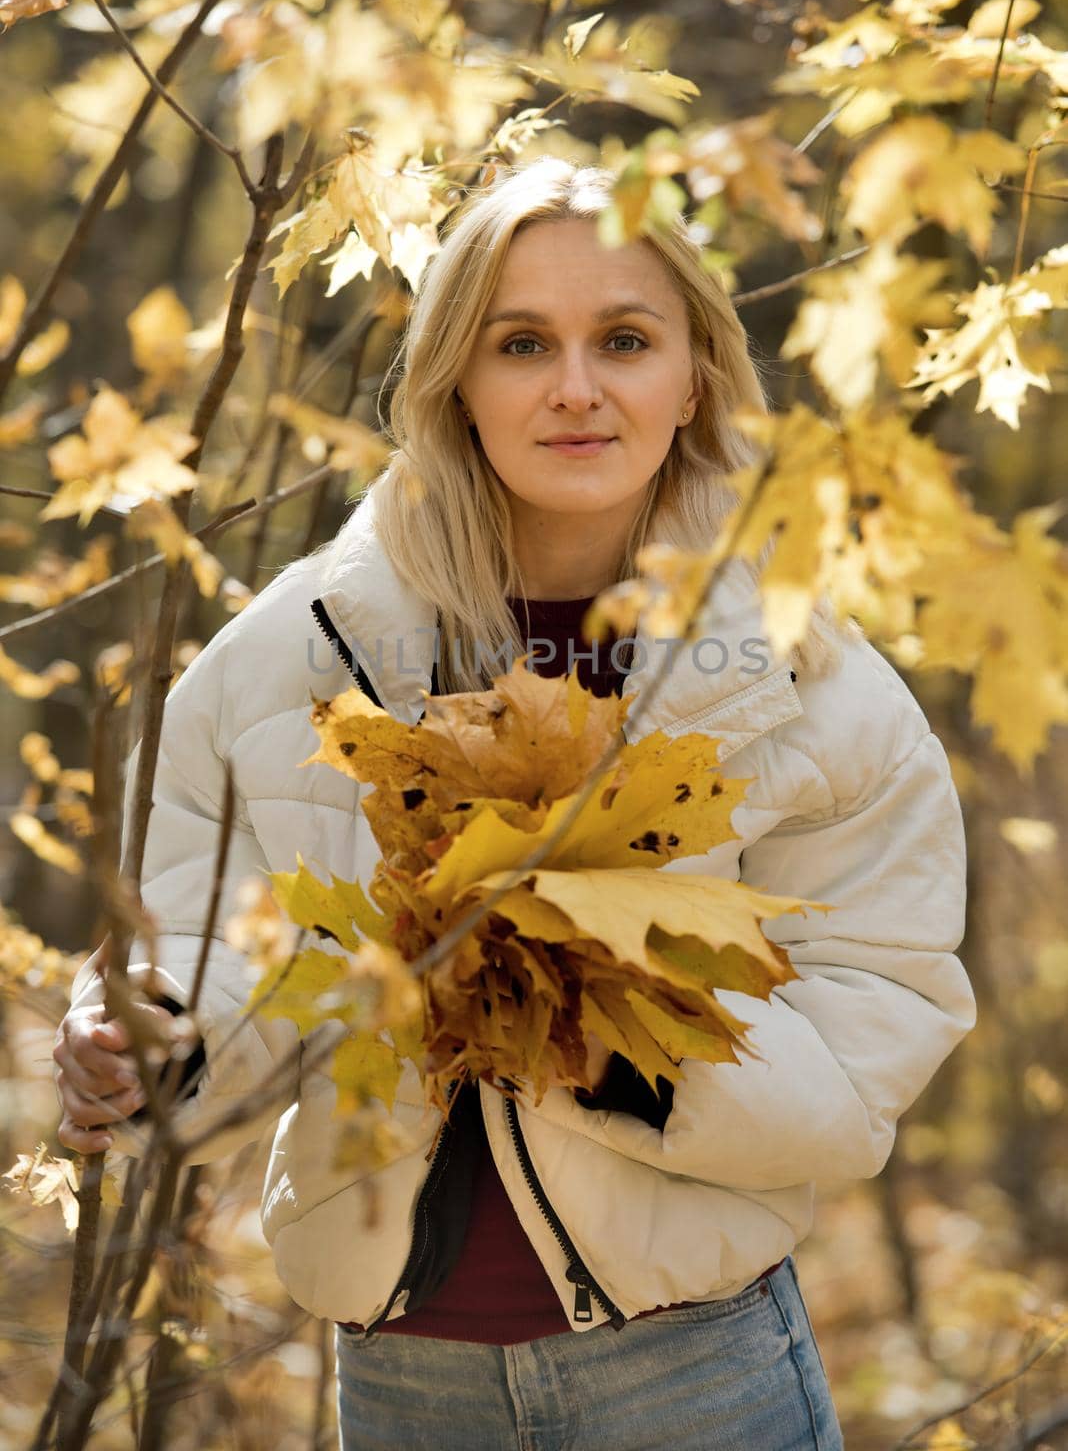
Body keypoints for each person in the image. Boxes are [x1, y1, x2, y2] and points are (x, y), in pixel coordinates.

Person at [53, 158, 976, 1450]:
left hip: (695, 1375)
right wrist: (149, 1037)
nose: (577, 388)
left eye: (627, 340)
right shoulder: (294, 657)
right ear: (454, 379)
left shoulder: (806, 683)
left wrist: (601, 1048)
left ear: (693, 375)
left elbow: (875, 1033)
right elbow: (210, 939)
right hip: (400, 1383)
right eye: (522, 342)